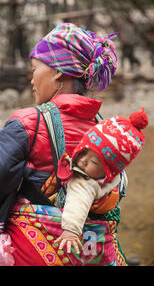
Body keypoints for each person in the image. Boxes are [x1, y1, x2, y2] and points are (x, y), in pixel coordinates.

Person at [0, 22, 128, 266]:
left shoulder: (27, 121)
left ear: (57, 73)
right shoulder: (102, 127)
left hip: (33, 255)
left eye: (35, 69)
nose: (31, 78)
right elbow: (42, 155)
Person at [54, 109, 148, 254]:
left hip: (81, 231)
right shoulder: (119, 178)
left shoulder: (83, 182)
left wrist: (71, 231)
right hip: (104, 235)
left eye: (93, 161)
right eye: (83, 151)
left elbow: (77, 204)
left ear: (108, 170)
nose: (83, 161)